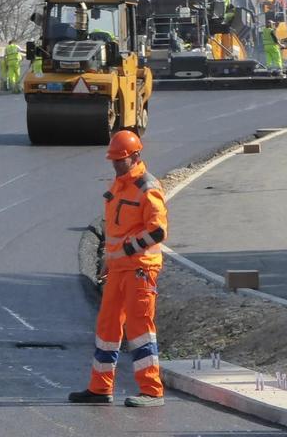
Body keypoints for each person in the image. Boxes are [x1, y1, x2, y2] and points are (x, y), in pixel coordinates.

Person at [69, 130, 168, 408]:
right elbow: (115, 230)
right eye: (113, 159)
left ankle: (152, 391)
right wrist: (109, 260)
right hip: (119, 269)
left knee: (140, 329)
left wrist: (127, 249)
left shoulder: (147, 187)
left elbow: (158, 231)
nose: (115, 164)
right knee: (107, 327)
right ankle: (100, 388)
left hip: (140, 269)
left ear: (136, 156)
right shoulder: (120, 185)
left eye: (120, 160)